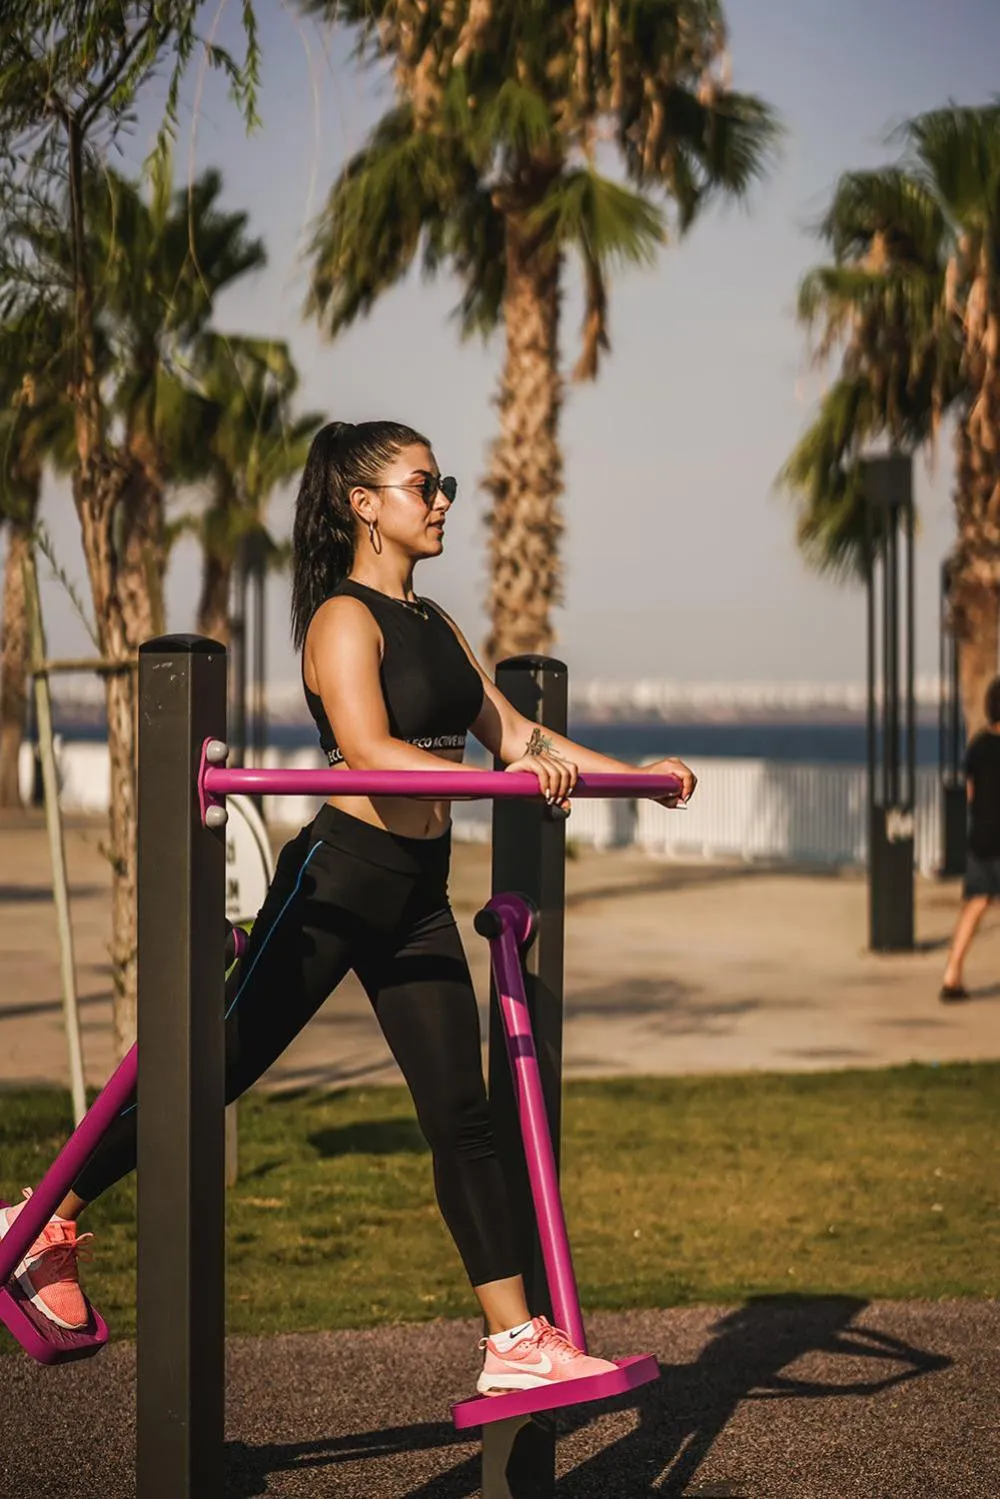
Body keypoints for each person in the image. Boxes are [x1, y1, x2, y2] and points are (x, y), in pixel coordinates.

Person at [0, 420, 696, 1396]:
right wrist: (522, 773)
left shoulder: (438, 624)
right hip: (340, 877)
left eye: (443, 481)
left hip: (415, 892)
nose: (444, 497)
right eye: (425, 484)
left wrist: (645, 777)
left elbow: (515, 730)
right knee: (217, 1067)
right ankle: (40, 1219)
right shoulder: (342, 618)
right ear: (366, 503)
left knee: (461, 1110)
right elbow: (369, 749)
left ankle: (514, 1341)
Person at [940, 675, 1000, 1002]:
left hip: (980, 838)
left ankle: (952, 973)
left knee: (975, 904)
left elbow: (971, 793)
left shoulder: (977, 746)